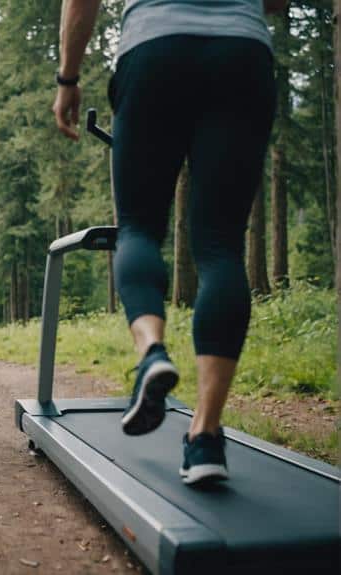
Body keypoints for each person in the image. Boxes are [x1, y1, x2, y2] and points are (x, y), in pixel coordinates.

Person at [52, 0, 285, 485]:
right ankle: (205, 437)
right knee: (220, 244)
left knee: (138, 227)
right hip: (241, 56)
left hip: (155, 50)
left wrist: (68, 79)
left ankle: (152, 352)